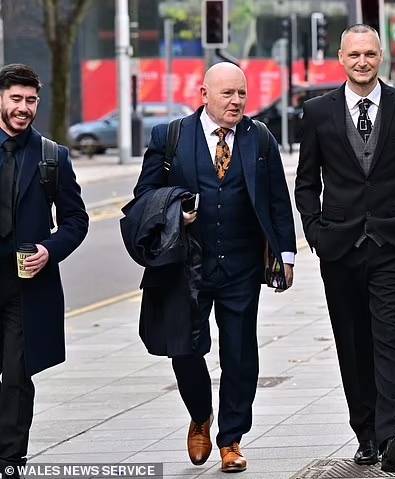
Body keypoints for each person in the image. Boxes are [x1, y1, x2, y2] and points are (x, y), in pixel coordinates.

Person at [132, 62, 296, 473]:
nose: (237, 101)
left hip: (241, 264)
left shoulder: (259, 138)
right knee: (184, 348)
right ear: (204, 95)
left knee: (240, 352)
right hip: (185, 265)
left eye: (242, 93)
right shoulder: (169, 137)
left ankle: (232, 439)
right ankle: (201, 415)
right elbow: (144, 195)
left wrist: (286, 256)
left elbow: (278, 198)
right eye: (227, 94)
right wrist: (175, 212)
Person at [295, 24, 395, 473]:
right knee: (352, 343)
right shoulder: (317, 111)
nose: (362, 61)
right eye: (354, 54)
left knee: (388, 337)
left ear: (382, 57)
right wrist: (316, 232)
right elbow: (306, 181)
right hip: (339, 247)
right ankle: (366, 433)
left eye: (370, 54)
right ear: (340, 57)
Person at [0, 64, 89, 478]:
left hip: (26, 285)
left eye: (30, 100)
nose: (23, 108)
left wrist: (49, 250)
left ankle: (9, 460)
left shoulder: (53, 156)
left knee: (18, 375)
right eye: (16, 99)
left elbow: (76, 220)